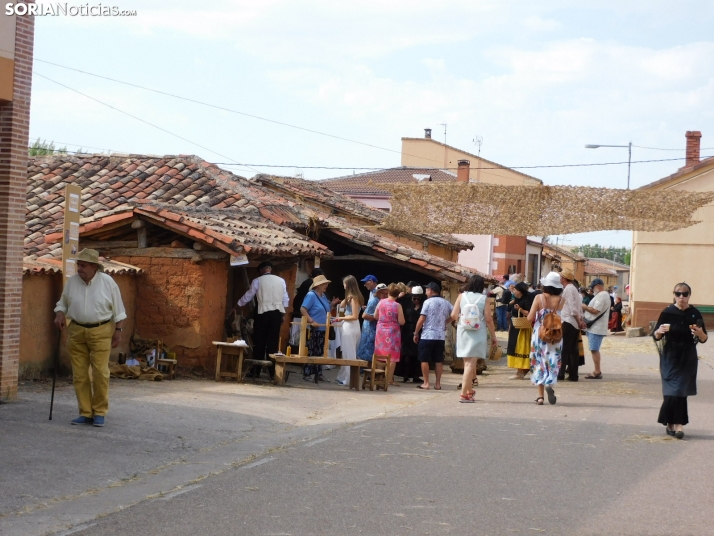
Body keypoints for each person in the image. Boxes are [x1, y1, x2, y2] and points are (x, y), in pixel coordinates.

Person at [53, 249, 126, 427]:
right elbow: (62, 303)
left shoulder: (108, 282)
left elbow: (119, 309)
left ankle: (99, 412)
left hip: (101, 330)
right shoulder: (72, 282)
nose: (80, 268)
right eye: (79, 265)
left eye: (83, 265)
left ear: (94, 267)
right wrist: (60, 314)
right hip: (76, 330)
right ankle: (85, 412)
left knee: (100, 372)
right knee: (79, 374)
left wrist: (118, 330)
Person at [652, 283, 708, 439]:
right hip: (670, 355)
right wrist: (659, 332)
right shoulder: (668, 312)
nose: (681, 297)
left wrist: (700, 333)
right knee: (671, 391)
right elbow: (656, 335)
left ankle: (678, 425)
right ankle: (671, 423)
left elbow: (703, 339)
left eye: (685, 294)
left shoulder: (694, 313)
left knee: (680, 391)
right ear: (674, 295)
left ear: (690, 295)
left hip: (687, 356)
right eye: (678, 294)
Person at [237, 261, 290, 379]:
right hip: (276, 313)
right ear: (270, 269)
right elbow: (285, 298)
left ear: (261, 270)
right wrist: (283, 313)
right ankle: (272, 372)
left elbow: (249, 295)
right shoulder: (281, 281)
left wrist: (239, 303)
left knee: (259, 341)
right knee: (273, 342)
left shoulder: (257, 281)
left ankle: (256, 371)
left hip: (262, 313)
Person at [451, 275, 496, 402]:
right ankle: (463, 394)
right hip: (478, 332)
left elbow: (454, 315)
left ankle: (469, 391)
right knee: (471, 363)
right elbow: (488, 319)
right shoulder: (484, 299)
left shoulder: (461, 296)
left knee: (467, 363)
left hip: (463, 330)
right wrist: (493, 336)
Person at [527, 271, 564, 406]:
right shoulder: (561, 300)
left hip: (540, 334)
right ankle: (550, 382)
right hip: (556, 335)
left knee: (539, 363)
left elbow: (530, 318)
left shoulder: (539, 298)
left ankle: (540, 397)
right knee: (553, 361)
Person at [414, 282, 453, 390]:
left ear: (430, 290)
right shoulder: (446, 302)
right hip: (440, 336)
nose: (426, 292)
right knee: (438, 360)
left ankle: (426, 383)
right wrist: (446, 321)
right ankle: (438, 384)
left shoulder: (428, 302)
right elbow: (455, 314)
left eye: (426, 290)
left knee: (424, 359)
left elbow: (422, 318)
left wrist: (416, 332)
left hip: (427, 335)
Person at [300, 274, 340, 381]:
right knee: (312, 350)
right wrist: (311, 321)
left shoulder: (323, 296)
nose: (326, 285)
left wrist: (332, 305)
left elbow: (325, 310)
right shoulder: (311, 295)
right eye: (324, 284)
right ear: (318, 285)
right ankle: (307, 373)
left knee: (320, 351)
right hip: (314, 328)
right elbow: (303, 309)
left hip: (323, 328)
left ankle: (318, 373)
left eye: (326, 284)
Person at [334, 275, 363, 386]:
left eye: (345, 283)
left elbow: (355, 316)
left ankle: (349, 379)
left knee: (348, 354)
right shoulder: (352, 298)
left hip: (350, 327)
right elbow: (342, 310)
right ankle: (343, 377)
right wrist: (342, 304)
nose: (343, 285)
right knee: (348, 352)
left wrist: (341, 317)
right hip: (353, 326)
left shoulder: (353, 298)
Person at [374, 283, 406, 385]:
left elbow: (375, 316)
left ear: (388, 292)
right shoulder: (397, 305)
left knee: (380, 354)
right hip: (393, 332)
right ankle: (389, 379)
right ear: (398, 294)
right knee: (392, 357)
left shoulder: (381, 302)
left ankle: (379, 377)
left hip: (381, 331)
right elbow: (401, 321)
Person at [558, 269, 585, 382]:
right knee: (573, 349)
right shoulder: (573, 288)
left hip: (569, 321)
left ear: (564, 278)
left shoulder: (568, 289)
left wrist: (579, 321)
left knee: (564, 349)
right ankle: (573, 375)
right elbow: (577, 307)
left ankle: (561, 373)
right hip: (572, 321)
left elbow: (573, 308)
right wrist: (580, 320)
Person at [581, 278, 610, 379]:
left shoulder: (602, 295)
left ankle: (597, 371)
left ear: (598, 286)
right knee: (594, 349)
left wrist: (585, 307)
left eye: (593, 288)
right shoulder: (602, 295)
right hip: (595, 327)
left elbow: (595, 310)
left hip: (596, 327)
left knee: (594, 349)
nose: (592, 290)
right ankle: (597, 370)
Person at [506, 282, 534, 380]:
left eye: (516, 290)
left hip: (523, 328)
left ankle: (521, 371)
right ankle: (520, 370)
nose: (514, 291)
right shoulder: (517, 299)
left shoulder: (527, 299)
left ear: (520, 291)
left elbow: (530, 313)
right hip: (516, 326)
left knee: (521, 348)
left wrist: (520, 310)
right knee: (514, 347)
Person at [395, 281, 422, 383]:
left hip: (419, 330)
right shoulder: (405, 302)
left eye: (418, 298)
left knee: (417, 354)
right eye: (414, 298)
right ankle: (405, 375)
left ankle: (415, 375)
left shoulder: (424, 303)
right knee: (406, 354)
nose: (416, 300)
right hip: (407, 330)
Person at [290, 268, 324, 346]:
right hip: (303, 314)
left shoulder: (307, 282)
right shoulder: (311, 285)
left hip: (299, 310)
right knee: (301, 339)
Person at [356, 277, 382, 362]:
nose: (364, 285)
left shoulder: (375, 296)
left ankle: (366, 369)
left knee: (368, 346)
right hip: (369, 325)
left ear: (371, 282)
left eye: (365, 282)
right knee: (366, 346)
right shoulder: (372, 294)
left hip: (371, 326)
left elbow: (366, 314)